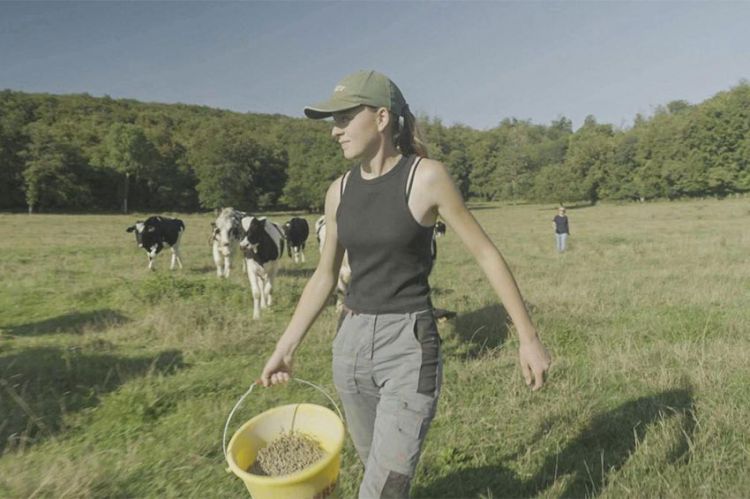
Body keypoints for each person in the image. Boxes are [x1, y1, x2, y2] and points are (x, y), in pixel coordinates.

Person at [259, 70, 551, 498]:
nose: (334, 131)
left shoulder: (426, 177)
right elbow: (324, 276)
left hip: (408, 347)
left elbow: (486, 254)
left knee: (381, 489)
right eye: (332, 122)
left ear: (380, 119)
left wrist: (527, 337)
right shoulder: (338, 191)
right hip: (350, 347)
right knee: (375, 468)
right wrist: (284, 349)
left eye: (343, 119)